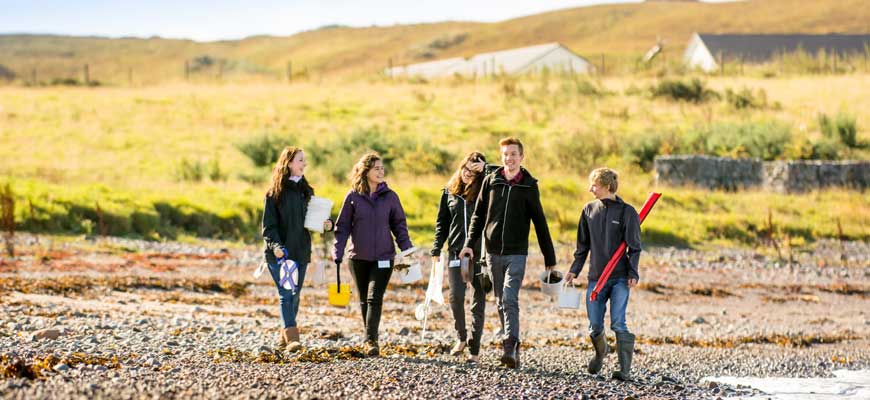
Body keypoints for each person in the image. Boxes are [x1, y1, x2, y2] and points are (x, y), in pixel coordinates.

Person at [459, 137, 557, 369]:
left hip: (517, 253)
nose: (509, 158)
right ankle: (512, 346)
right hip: (492, 252)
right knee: (500, 300)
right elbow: (478, 216)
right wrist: (468, 244)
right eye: (505, 154)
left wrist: (549, 258)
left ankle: (509, 344)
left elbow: (540, 222)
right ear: (501, 157)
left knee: (510, 297)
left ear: (521, 157)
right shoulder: (492, 181)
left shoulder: (529, 186)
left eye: (513, 154)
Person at [564, 167, 642, 381]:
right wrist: (574, 269)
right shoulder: (588, 210)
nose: (590, 189)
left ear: (607, 186)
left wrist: (633, 272)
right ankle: (601, 352)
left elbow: (634, 247)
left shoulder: (628, 212)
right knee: (594, 326)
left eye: (594, 185)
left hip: (620, 278)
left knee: (618, 322)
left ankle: (624, 371)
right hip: (596, 278)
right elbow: (583, 245)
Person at [333, 152, 414, 357]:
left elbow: (399, 226)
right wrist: (338, 251)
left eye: (382, 168)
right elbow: (342, 227)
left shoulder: (391, 196)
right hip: (358, 257)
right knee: (363, 300)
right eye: (376, 168)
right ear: (366, 171)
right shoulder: (352, 197)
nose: (381, 171)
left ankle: (371, 341)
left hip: (384, 257)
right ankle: (369, 337)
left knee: (374, 297)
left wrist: (407, 250)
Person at [262, 146, 334, 351]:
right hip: (279, 253)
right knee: (286, 293)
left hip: (301, 251)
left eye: (304, 160)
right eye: (301, 160)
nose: (304, 164)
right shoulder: (274, 194)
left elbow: (314, 222)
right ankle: (293, 337)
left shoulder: (306, 192)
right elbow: (268, 227)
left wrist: (327, 224)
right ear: (289, 163)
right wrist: (276, 247)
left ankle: (283, 339)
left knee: (295, 294)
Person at [431, 151, 488, 363]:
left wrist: (486, 167)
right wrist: (437, 247)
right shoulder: (449, 192)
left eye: (473, 172)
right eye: (465, 168)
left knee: (478, 300)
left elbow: (498, 177)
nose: (467, 174)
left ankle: (475, 347)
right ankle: (461, 337)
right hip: (455, 251)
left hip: (480, 253)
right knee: (455, 297)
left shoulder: (486, 190)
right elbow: (442, 223)